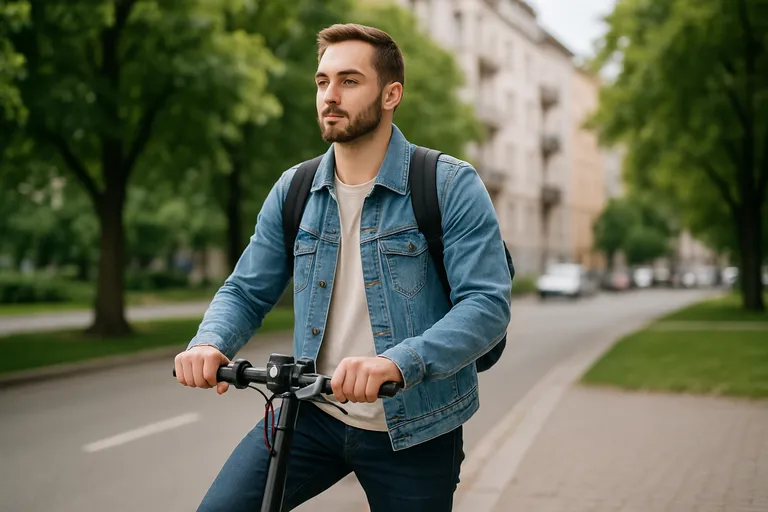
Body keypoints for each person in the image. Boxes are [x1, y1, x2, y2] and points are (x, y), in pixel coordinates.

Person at [174, 22, 512, 512]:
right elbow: (246, 290)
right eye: (322, 81)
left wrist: (398, 362)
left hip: (416, 424)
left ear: (391, 93)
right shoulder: (295, 189)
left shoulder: (448, 184)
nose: (330, 96)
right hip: (311, 410)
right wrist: (210, 341)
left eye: (349, 81)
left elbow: (486, 305)